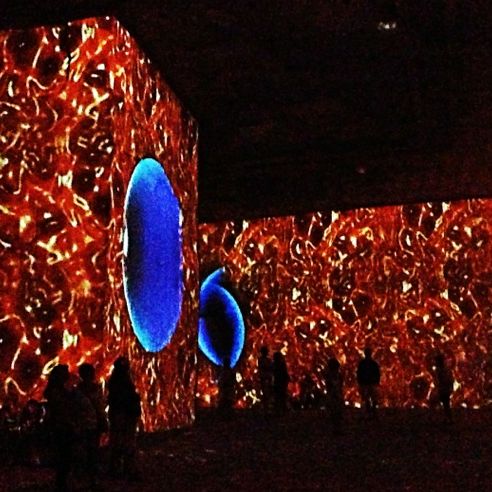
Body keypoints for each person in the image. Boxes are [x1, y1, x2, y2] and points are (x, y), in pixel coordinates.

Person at [107, 356, 141, 480]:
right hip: (123, 415)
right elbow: (125, 399)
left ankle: (117, 468)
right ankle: (126, 469)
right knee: (125, 442)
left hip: (121, 414)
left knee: (118, 441)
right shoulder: (122, 383)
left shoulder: (115, 382)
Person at [44, 364, 77, 492]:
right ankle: (61, 483)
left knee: (65, 455)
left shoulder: (59, 390)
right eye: (65, 373)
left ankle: (62, 481)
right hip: (61, 427)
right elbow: (61, 409)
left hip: (62, 426)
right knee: (64, 455)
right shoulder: (57, 392)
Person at [77, 363, 107, 484]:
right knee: (90, 450)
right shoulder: (91, 390)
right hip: (90, 423)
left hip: (88, 423)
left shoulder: (78, 390)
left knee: (90, 449)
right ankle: (90, 476)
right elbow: (99, 406)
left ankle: (88, 475)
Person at [356, 347, 380, 417]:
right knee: (370, 398)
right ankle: (372, 411)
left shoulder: (363, 363)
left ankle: (371, 410)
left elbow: (359, 373)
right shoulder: (372, 363)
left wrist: (359, 381)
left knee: (369, 398)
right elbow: (377, 373)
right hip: (369, 383)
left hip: (367, 383)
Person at [325, 358, 344, 435]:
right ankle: (335, 428)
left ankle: (337, 428)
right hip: (333, 395)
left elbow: (340, 385)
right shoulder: (329, 376)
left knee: (337, 413)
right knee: (334, 412)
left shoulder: (338, 375)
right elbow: (329, 386)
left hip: (336, 395)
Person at [434, 353, 454, 421]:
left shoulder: (440, 370)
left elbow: (440, 380)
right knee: (446, 404)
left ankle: (448, 418)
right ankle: (447, 417)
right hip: (445, 388)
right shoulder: (446, 369)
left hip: (443, 389)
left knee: (445, 404)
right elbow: (451, 379)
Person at [258, 346, 273, 414]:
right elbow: (264, 367)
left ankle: (267, 407)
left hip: (267, 377)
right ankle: (265, 407)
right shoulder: (262, 360)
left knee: (267, 393)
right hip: (264, 378)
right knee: (265, 393)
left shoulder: (266, 360)